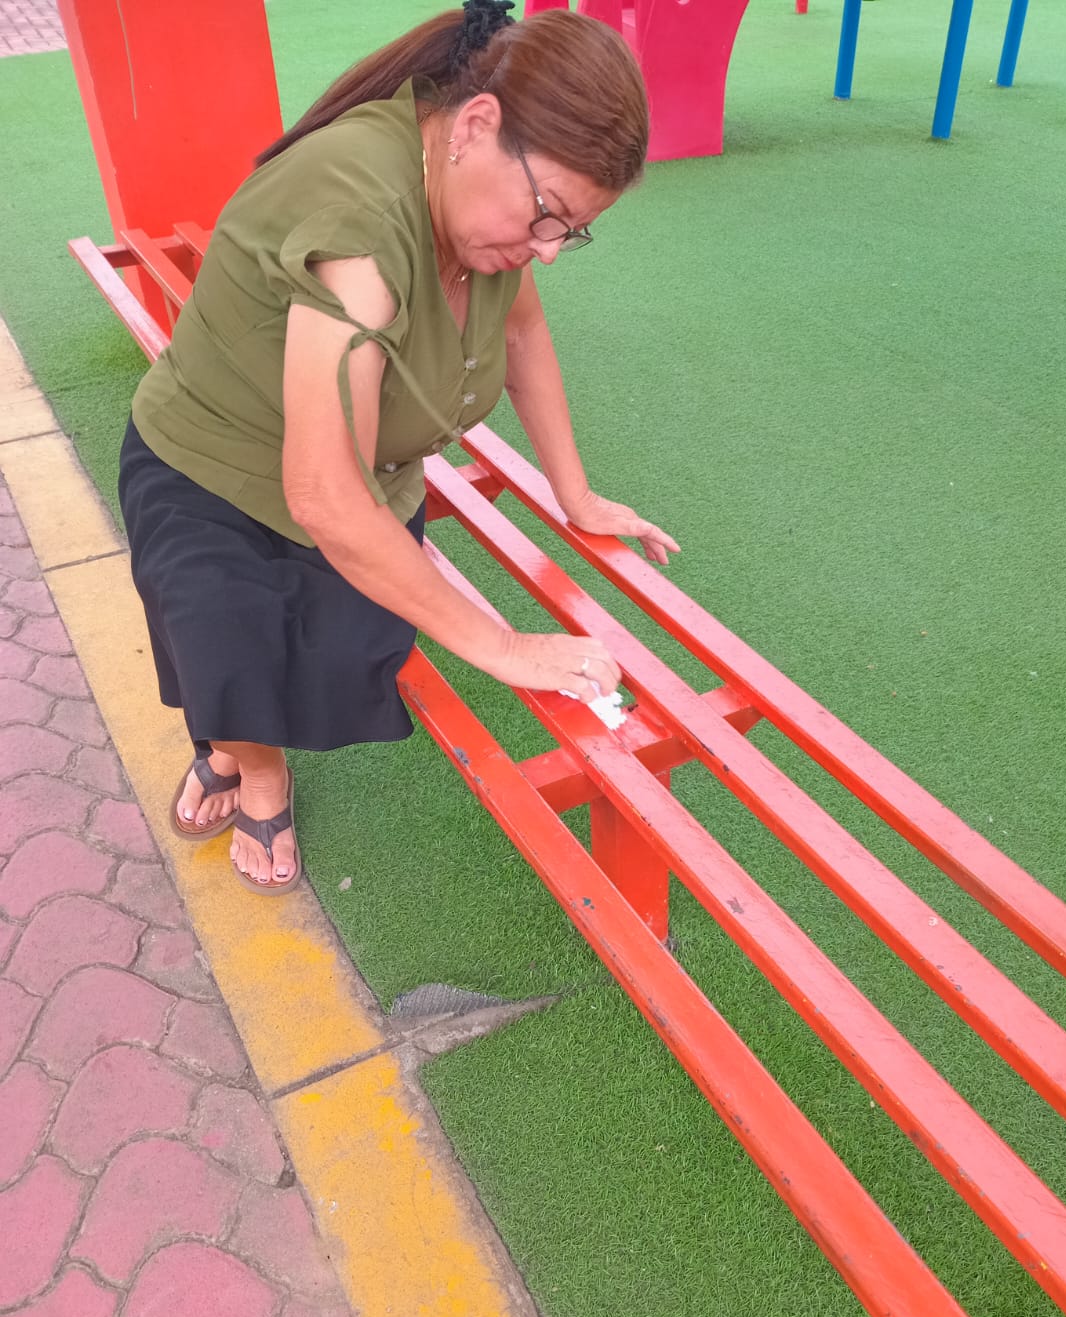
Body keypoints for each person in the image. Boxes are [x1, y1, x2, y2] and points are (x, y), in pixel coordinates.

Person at [118, 0, 677, 895]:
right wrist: (502, 646)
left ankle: (236, 734)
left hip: (366, 477)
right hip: (211, 472)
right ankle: (251, 767)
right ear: (477, 126)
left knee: (340, 651)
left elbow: (522, 332)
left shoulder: (481, 210)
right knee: (224, 650)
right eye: (547, 215)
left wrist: (576, 494)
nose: (548, 251)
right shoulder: (364, 220)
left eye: (569, 231)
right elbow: (323, 495)